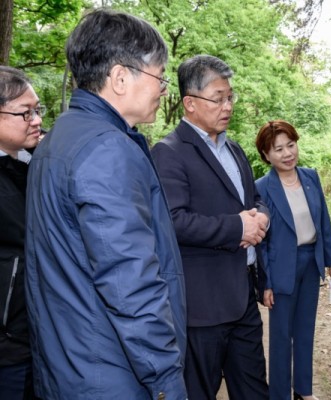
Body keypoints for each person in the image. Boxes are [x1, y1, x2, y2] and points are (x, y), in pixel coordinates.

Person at [25, 9, 187, 400]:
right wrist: (167, 383)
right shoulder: (107, 150)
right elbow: (130, 284)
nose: (163, 89)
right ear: (119, 78)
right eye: (159, 76)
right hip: (113, 375)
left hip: (70, 363)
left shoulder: (58, 139)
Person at [151, 55, 269, 400]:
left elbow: (255, 198)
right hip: (201, 307)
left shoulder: (234, 148)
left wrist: (261, 216)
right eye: (218, 98)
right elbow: (171, 221)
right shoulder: (169, 152)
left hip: (243, 298)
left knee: (254, 389)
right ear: (189, 103)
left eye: (230, 97)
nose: (227, 105)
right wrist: (236, 228)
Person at [254, 120, 331, 400]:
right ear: (267, 155)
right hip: (280, 270)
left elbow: (322, 220)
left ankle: (303, 390)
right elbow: (262, 241)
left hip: (310, 262)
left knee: (305, 331)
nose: (287, 153)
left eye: (290, 145)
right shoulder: (262, 187)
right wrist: (265, 283)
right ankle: (279, 394)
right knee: (281, 337)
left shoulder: (310, 176)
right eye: (278, 149)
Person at [0, 66, 44, 400]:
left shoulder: (34, 166)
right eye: (25, 113)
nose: (37, 119)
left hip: (36, 338)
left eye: (37, 109)